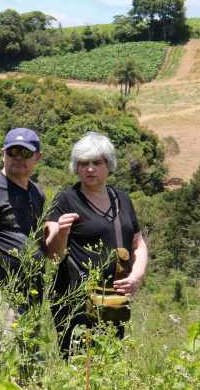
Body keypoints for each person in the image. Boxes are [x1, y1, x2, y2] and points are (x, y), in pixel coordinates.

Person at [45, 132, 148, 355]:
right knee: (78, 365)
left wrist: (136, 277)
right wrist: (62, 233)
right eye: (83, 163)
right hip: (76, 301)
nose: (89, 169)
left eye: (96, 163)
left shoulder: (123, 199)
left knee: (111, 363)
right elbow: (52, 256)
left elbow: (138, 244)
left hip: (115, 300)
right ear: (76, 167)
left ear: (108, 165)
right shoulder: (66, 200)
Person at [0, 128, 46, 345]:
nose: (18, 156)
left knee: (29, 361)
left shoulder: (38, 193)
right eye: (12, 151)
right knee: (3, 359)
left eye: (25, 152)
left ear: (38, 158)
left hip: (32, 293)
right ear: (2, 154)